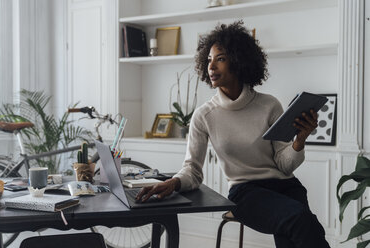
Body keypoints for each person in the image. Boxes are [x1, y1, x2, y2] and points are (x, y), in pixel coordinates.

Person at [136, 20, 330, 248]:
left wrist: (300, 140)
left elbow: (284, 165)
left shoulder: (270, 105)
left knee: (296, 235)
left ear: (238, 61)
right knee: (301, 220)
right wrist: (175, 182)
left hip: (287, 186)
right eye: (209, 60)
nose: (212, 66)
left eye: (220, 59)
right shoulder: (204, 115)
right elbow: (193, 170)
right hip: (245, 193)